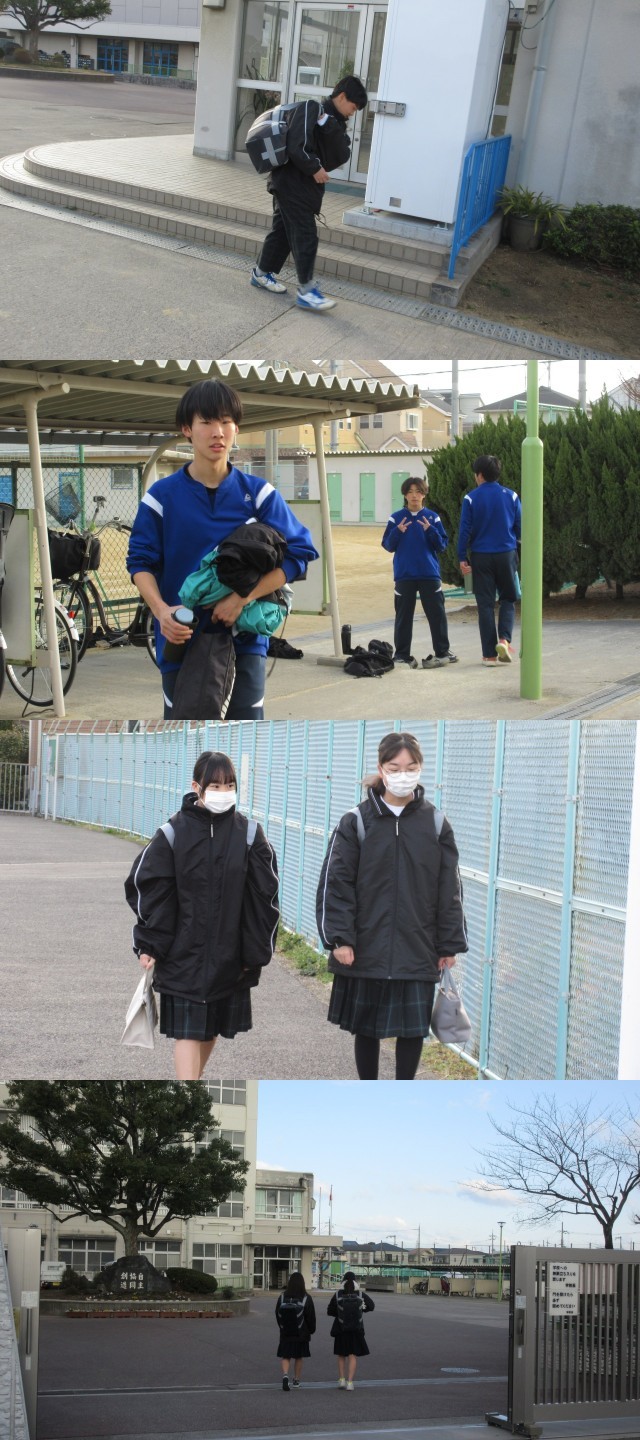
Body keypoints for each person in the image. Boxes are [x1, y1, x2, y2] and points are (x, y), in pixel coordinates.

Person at [127, 378, 318, 718]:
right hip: (181, 636)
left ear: (236, 428)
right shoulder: (161, 497)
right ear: (187, 429)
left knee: (245, 732)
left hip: (245, 639)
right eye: (206, 422)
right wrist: (161, 612)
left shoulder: (259, 495)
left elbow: (299, 555)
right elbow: (140, 562)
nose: (218, 432)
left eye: (226, 421)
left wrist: (241, 598)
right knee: (185, 731)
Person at [316, 731, 468, 1081]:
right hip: (365, 945)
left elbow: (450, 889)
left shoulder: (435, 823)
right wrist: (340, 938)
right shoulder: (356, 821)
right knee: (366, 1029)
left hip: (418, 945)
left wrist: (448, 945)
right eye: (395, 767)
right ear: (381, 768)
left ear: (421, 768)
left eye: (411, 767)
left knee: (413, 1031)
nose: (403, 774)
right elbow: (335, 883)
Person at [124, 750, 279, 1080]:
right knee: (189, 1033)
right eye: (216, 786)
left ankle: (191, 1084)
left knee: (210, 1031)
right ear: (197, 787)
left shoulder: (249, 834)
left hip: (229, 958)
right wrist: (149, 944)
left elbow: (263, 898)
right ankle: (187, 1093)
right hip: (182, 955)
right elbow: (150, 889)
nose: (224, 793)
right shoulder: (173, 833)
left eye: (230, 785)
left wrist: (254, 952)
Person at [251, 75, 368, 313]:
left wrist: (328, 125)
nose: (353, 112)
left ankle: (261, 273)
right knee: (305, 235)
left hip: (299, 186)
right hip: (291, 184)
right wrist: (314, 167)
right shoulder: (312, 108)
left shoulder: (334, 123)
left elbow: (341, 156)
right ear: (342, 97)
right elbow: (297, 144)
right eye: (353, 106)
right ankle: (307, 291)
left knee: (282, 232)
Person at [381, 475, 458, 669]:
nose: (414, 495)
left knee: (437, 615)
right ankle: (402, 655)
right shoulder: (396, 518)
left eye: (418, 492)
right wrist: (397, 531)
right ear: (405, 495)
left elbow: (441, 545)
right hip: (404, 574)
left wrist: (430, 530)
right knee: (403, 617)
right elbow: (388, 545)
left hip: (429, 573)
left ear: (424, 495)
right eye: (410, 492)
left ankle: (443, 652)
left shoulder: (432, 517)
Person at [457, 455, 522, 667]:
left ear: (479, 475)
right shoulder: (512, 496)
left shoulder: (470, 498)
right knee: (508, 598)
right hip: (506, 554)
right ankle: (504, 640)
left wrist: (462, 557)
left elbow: (464, 530)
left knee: (485, 604)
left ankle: (489, 656)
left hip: (481, 556)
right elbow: (520, 528)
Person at [327, 1273, 375, 1390]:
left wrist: (340, 1313)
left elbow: (330, 1311)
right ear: (355, 1282)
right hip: (356, 1329)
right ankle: (350, 1382)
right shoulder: (360, 1294)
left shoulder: (338, 1294)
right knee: (352, 1355)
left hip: (341, 1329)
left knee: (341, 1355)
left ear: (343, 1281)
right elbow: (371, 1306)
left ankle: (341, 1380)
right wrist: (361, 1309)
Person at [276, 1271, 316, 1390]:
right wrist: (311, 1330)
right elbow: (310, 1317)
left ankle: (285, 1375)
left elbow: (277, 1314)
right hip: (301, 1334)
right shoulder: (306, 1298)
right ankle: (296, 1380)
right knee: (298, 1357)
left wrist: (282, 1327)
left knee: (286, 1356)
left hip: (286, 1332)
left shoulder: (282, 1297)